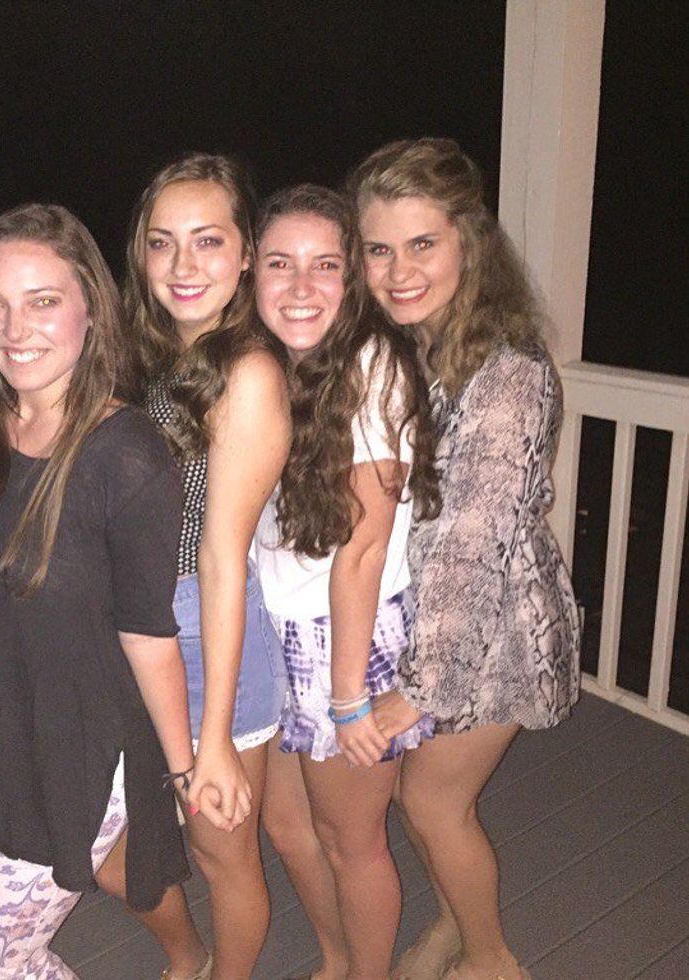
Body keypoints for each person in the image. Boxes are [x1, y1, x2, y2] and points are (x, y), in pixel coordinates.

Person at [0, 203, 195, 979]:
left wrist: (187, 769)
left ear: (91, 310)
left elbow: (147, 632)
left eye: (43, 301)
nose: (14, 328)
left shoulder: (125, 455)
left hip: (79, 750)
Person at [349, 138, 582, 980]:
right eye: (379, 249)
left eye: (422, 243)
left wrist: (422, 688)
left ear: (468, 242)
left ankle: (490, 960)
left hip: (498, 634)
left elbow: (471, 547)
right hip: (443, 625)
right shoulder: (420, 345)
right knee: (425, 802)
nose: (399, 270)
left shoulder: (507, 374)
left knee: (430, 801)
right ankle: (455, 923)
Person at [95, 153, 291, 980]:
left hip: (205, 641)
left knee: (223, 856)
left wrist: (211, 741)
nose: (182, 264)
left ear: (245, 254)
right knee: (109, 849)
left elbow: (219, 559)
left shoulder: (246, 373)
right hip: (133, 633)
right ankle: (191, 957)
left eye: (208, 241)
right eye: (162, 242)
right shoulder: (148, 359)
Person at [252, 184, 438, 980]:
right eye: (280, 263)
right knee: (287, 825)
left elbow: (363, 550)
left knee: (350, 841)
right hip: (277, 625)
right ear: (252, 272)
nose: (301, 286)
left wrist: (350, 695)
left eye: (325, 265)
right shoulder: (268, 363)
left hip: (345, 641)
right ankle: (336, 959)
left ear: (353, 277)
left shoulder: (372, 367)